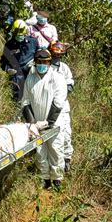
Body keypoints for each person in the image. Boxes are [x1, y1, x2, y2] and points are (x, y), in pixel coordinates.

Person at [21, 49, 67, 189]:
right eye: (39, 62)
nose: (42, 64)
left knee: (56, 151)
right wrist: (32, 123)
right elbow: (25, 102)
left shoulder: (57, 78)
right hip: (37, 124)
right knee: (40, 153)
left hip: (53, 122)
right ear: (35, 63)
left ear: (49, 63)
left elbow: (58, 103)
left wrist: (48, 122)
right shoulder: (30, 78)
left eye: (45, 62)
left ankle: (57, 179)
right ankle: (45, 179)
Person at [49, 42, 74, 173]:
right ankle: (53, 165)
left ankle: (67, 160)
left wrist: (62, 92)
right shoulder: (46, 66)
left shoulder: (64, 68)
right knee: (52, 137)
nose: (56, 57)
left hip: (63, 107)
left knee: (66, 134)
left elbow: (70, 84)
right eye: (55, 54)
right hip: (48, 106)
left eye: (59, 55)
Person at [0, 19, 39, 101]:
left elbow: (40, 56)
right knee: (17, 99)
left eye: (21, 33)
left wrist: (34, 63)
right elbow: (3, 62)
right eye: (17, 33)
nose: (19, 36)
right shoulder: (9, 45)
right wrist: (8, 69)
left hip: (31, 74)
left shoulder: (33, 42)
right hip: (16, 77)